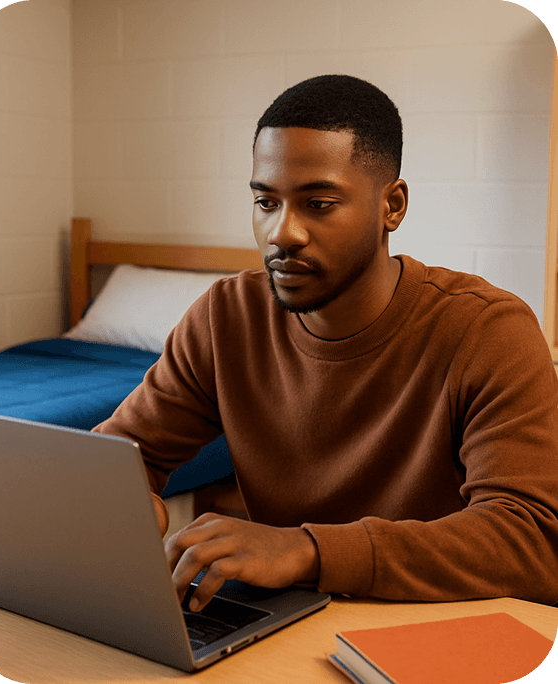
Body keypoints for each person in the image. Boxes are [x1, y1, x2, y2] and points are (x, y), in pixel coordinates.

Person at [94, 74, 558, 611]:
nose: (282, 233)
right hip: (286, 624)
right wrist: (125, 500)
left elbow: (533, 542)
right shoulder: (225, 317)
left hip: (432, 630)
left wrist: (307, 550)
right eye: (266, 203)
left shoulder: (489, 331)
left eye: (318, 203)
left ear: (393, 206)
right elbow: (120, 456)